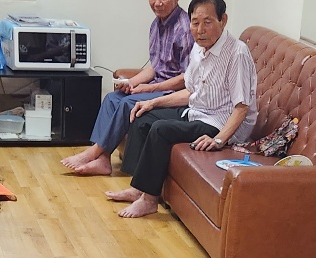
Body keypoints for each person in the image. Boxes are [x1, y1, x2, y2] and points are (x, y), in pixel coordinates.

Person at [106, 0, 257, 218]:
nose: (200, 30)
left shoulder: (237, 53)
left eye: (207, 22)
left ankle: (149, 200)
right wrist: (152, 103)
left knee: (161, 130)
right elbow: (190, 91)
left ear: (223, 20)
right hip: (197, 112)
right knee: (143, 117)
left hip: (220, 123)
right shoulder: (199, 47)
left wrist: (219, 140)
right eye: (195, 23)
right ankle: (138, 189)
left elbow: (241, 107)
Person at [61, 0, 193, 176]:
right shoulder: (156, 24)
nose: (157, 3)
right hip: (157, 85)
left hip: (172, 92)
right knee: (112, 98)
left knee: (127, 103)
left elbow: (187, 78)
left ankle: (93, 153)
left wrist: (149, 89)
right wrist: (131, 82)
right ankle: (103, 159)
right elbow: (155, 67)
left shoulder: (184, 29)